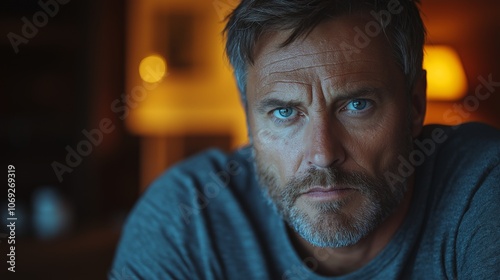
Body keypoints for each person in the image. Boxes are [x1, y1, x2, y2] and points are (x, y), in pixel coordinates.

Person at [110, 0, 500, 279]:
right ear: (249, 119)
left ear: (415, 106)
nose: (323, 154)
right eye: (284, 112)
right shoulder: (188, 217)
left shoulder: (481, 187)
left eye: (357, 105)